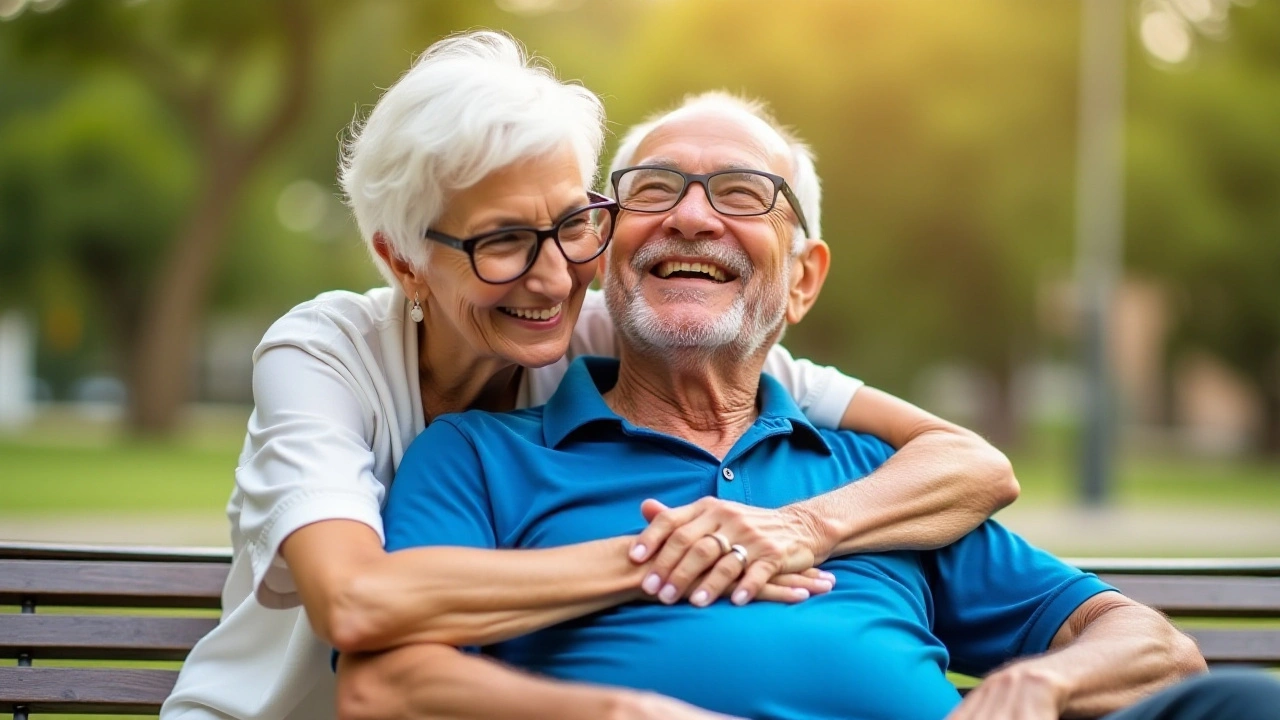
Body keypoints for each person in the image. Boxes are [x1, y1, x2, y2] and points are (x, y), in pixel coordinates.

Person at [161, 32, 1018, 720]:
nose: (551, 278)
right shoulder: (323, 354)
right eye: (502, 241)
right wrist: (682, 551)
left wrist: (801, 525)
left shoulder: (607, 323)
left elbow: (973, 464)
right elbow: (354, 603)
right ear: (403, 260)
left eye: (576, 224)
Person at [371, 91, 1280, 720]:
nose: (691, 217)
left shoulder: (876, 478)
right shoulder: (479, 458)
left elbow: (1150, 645)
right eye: (653, 190)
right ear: (602, 256)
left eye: (741, 194)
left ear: (802, 280)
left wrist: (1042, 687)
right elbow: (393, 688)